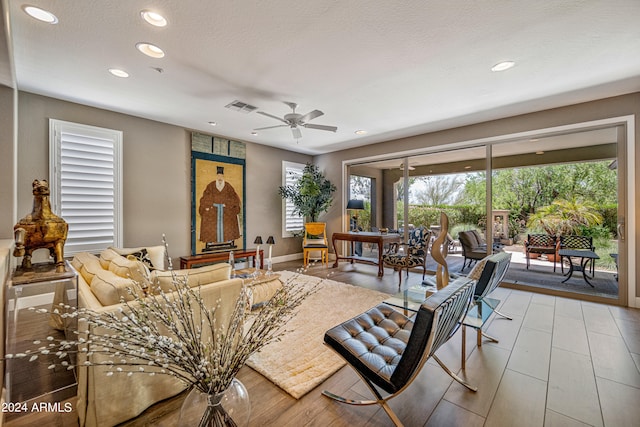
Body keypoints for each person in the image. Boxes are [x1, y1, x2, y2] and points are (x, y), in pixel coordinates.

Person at [199, 166, 241, 244]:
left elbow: (234, 198)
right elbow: (205, 197)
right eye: (218, 176)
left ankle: (229, 238)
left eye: (221, 176)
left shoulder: (228, 186)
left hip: (226, 208)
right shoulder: (211, 186)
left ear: (223, 176)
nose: (220, 178)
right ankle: (210, 240)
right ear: (216, 176)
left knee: (230, 219)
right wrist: (208, 206)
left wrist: (228, 204)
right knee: (209, 218)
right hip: (213, 208)